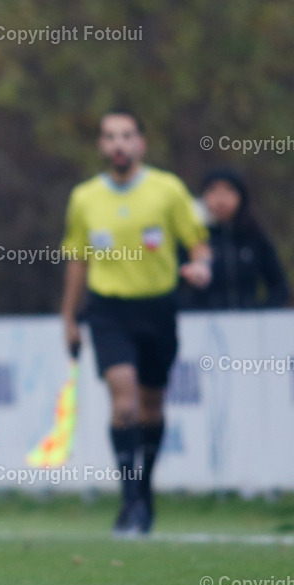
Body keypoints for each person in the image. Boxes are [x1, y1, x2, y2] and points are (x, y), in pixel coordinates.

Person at [60, 110, 212, 536]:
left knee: (151, 406)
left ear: (141, 143)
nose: (119, 144)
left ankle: (143, 494)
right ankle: (131, 500)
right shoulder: (85, 197)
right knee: (123, 401)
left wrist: (202, 267)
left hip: (158, 309)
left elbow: (198, 243)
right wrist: (69, 316)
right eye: (110, 136)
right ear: (101, 145)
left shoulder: (167, 189)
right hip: (109, 310)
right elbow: (77, 259)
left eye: (127, 135)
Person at [182, 168, 289, 310]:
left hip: (249, 320)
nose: (221, 199)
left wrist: (261, 312)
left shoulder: (254, 237)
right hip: (203, 320)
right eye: (213, 190)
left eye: (229, 190)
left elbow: (279, 286)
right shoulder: (194, 238)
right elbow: (176, 288)